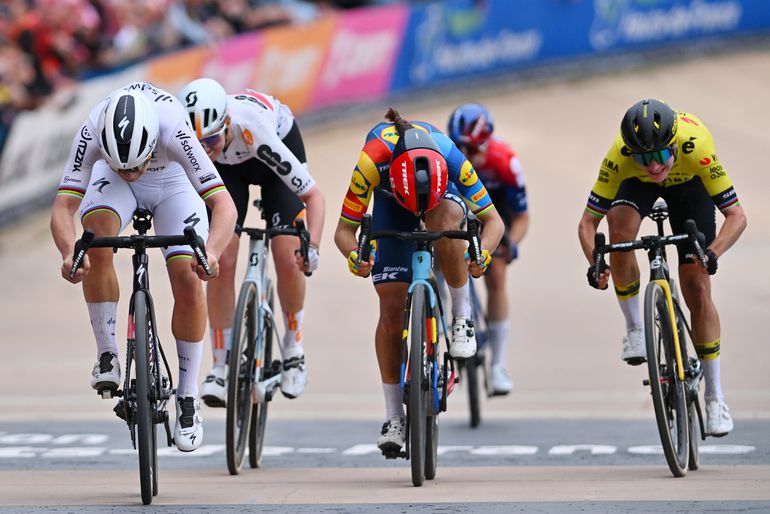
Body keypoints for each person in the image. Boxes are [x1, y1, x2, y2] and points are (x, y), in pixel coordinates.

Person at [50, 81, 238, 451]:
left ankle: (187, 396)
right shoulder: (92, 129)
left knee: (187, 275)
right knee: (95, 239)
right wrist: (69, 252)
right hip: (109, 183)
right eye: (125, 166)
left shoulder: (173, 128)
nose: (132, 172)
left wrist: (212, 252)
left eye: (136, 165)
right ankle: (107, 353)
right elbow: (63, 207)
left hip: (172, 184)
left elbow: (223, 205)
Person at [334, 108, 504, 454]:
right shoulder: (371, 163)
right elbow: (343, 232)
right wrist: (355, 256)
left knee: (446, 224)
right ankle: (394, 416)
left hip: (442, 199)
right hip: (389, 204)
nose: (418, 219)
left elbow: (494, 223)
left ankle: (461, 318)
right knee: (391, 310)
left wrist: (482, 254)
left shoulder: (451, 155)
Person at [578, 98, 747, 436]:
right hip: (635, 187)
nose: (653, 166)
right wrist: (596, 263)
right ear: (630, 153)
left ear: (673, 144)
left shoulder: (695, 143)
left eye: (658, 156)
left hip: (690, 187)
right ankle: (635, 329)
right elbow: (586, 224)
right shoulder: (620, 156)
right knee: (619, 230)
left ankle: (715, 397)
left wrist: (711, 253)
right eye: (643, 158)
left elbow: (737, 217)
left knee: (697, 287)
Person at [177, 78, 325, 406]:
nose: (205, 149)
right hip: (229, 175)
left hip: (272, 158)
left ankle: (293, 348)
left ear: (226, 123)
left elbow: (314, 196)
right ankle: (220, 364)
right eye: (197, 143)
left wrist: (312, 247)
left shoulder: (254, 128)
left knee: (288, 256)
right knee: (218, 260)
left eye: (211, 139)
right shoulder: (198, 145)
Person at [447, 102, 529, 396]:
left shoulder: (504, 160)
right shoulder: (448, 161)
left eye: (471, 149)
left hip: (496, 213)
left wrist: (512, 245)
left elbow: (521, 216)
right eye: (458, 148)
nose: (464, 156)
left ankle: (498, 366)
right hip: (461, 209)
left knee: (496, 275)